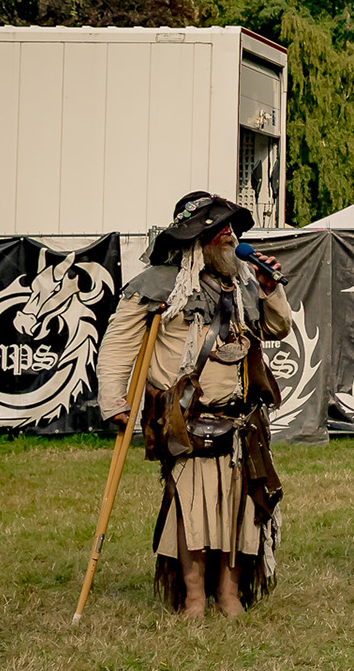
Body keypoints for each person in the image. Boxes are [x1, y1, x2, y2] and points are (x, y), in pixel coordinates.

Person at [97, 192, 289, 618]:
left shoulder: (244, 283)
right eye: (218, 229)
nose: (229, 235)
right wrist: (113, 399)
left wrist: (271, 290)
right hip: (187, 421)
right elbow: (120, 342)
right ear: (194, 239)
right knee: (190, 514)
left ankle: (229, 595)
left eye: (231, 229)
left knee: (240, 510)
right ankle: (195, 599)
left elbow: (276, 327)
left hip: (241, 424)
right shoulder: (159, 285)